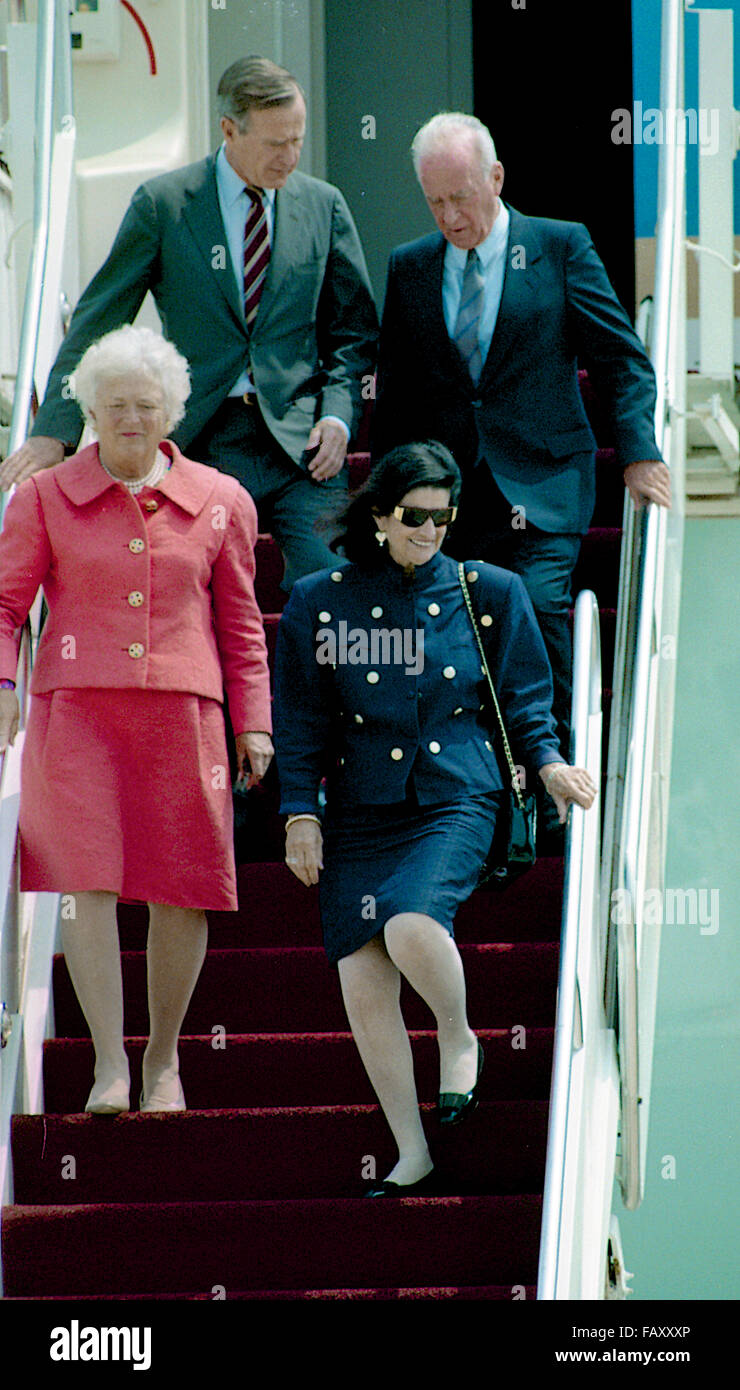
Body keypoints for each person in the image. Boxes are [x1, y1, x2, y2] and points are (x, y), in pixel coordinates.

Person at [273, 441, 595, 1194]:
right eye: (414, 516)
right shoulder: (321, 601)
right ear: (380, 514)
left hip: (456, 791)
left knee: (412, 924)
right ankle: (410, 1148)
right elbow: (301, 720)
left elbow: (524, 698)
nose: (429, 530)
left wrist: (546, 762)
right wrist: (298, 814)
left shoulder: (491, 590)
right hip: (358, 808)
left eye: (443, 517)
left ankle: (457, 1033)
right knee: (361, 976)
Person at [0, 326, 273, 1115]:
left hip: (184, 712)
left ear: (171, 413)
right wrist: (6, 681)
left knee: (180, 887)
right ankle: (108, 1063)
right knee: (84, 883)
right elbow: (6, 606)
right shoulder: (44, 496)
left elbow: (243, 624)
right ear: (88, 410)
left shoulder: (223, 500)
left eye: (145, 404)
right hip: (76, 711)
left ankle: (163, 1060)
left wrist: (254, 722)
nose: (129, 417)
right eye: (114, 404)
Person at [0, 55, 378, 591]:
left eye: (296, 139)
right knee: (197, 588)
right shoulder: (165, 205)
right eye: (275, 144)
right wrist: (54, 434)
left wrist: (339, 417)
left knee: (333, 586)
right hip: (206, 440)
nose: (290, 156)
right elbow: (97, 321)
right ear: (228, 129)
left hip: (304, 447)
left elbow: (354, 333)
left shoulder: (324, 205)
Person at [372, 111, 671, 766]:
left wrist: (640, 454)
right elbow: (394, 398)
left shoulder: (560, 246)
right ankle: (480, 777)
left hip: (543, 483)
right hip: (453, 497)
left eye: (462, 196)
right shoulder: (411, 267)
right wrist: (387, 501)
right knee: (454, 630)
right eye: (436, 201)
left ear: (497, 177)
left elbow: (621, 361)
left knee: (534, 606)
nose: (450, 216)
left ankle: (554, 768)